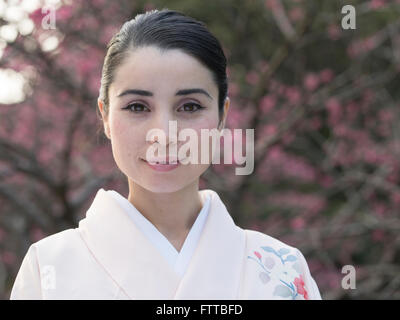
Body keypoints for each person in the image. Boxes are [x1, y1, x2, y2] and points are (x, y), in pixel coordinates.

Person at [10, 8, 322, 300]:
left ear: (222, 117)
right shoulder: (48, 269)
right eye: (137, 107)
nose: (164, 133)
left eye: (189, 107)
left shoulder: (283, 271)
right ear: (105, 116)